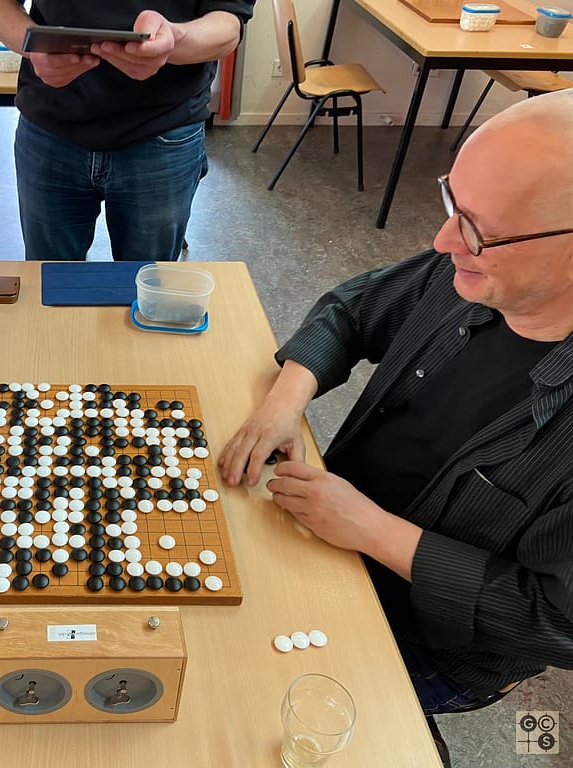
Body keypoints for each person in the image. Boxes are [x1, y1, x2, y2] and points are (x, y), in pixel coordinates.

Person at [219, 89, 573, 715]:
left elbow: (556, 623)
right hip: (325, 532)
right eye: (452, 203)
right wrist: (285, 400)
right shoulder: (470, 271)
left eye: (477, 229)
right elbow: (354, 309)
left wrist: (375, 531)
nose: (442, 241)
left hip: (432, 645)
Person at [0, 0, 254, 262]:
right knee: (51, 282)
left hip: (163, 129)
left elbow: (228, 22)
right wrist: (32, 45)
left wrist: (175, 39)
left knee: (146, 286)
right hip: (51, 126)